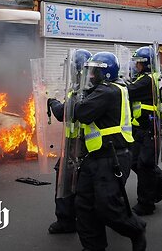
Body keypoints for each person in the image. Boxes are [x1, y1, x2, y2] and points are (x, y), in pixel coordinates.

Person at [74, 51, 146, 251]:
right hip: (95, 155)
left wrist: (62, 104)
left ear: (105, 74)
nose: (90, 76)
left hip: (111, 156)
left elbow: (82, 113)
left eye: (94, 72)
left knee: (107, 208)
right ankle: (93, 247)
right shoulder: (107, 88)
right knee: (84, 205)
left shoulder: (107, 91)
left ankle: (136, 230)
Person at [47, 49, 91, 234]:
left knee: (65, 181)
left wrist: (53, 102)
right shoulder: (83, 87)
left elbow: (64, 112)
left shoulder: (83, 90)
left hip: (79, 145)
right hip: (82, 144)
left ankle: (66, 221)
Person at [127, 46, 162, 216]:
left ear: (146, 64)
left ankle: (146, 203)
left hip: (149, 128)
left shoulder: (148, 79)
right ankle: (161, 182)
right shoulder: (144, 77)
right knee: (134, 162)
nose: (135, 65)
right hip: (140, 127)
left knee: (145, 165)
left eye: (138, 63)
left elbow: (128, 91)